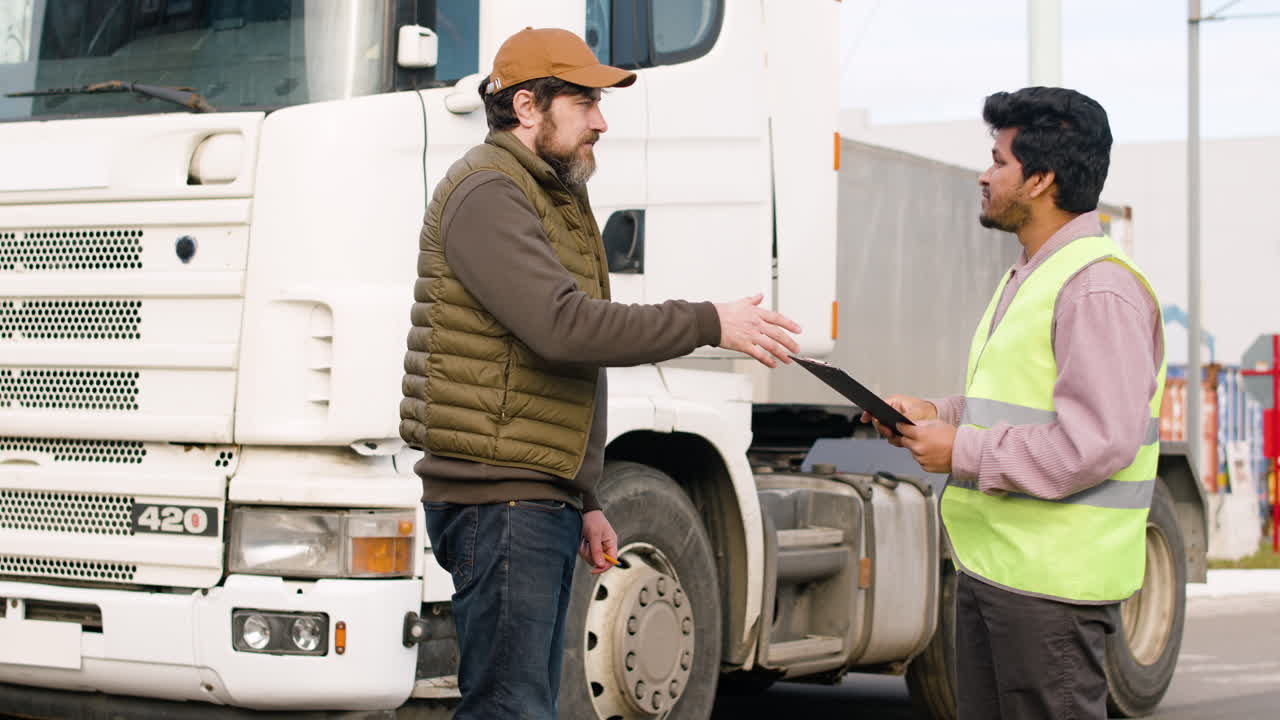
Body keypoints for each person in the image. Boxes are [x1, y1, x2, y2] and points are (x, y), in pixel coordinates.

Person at [398, 27, 802, 720]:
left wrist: (581, 495)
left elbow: (573, 361)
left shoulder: (548, 194)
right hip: (502, 502)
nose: (601, 120)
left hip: (531, 496)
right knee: (509, 708)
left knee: (522, 703)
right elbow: (565, 328)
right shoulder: (489, 193)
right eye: (585, 101)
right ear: (528, 107)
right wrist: (708, 321)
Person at [865, 87, 1165, 720]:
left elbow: (1098, 441)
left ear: (1041, 179)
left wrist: (962, 450)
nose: (984, 174)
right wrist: (937, 413)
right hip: (1005, 573)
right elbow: (1018, 405)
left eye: (998, 161)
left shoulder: (1095, 288)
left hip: (1050, 588)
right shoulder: (1035, 273)